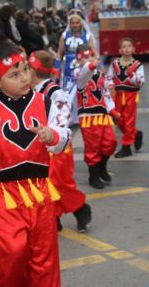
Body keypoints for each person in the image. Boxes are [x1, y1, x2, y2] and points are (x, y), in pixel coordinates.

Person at [0, 42, 70, 287]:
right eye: (14, 74)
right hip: (2, 192)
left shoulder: (46, 102)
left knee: (45, 255)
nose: (24, 78)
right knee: (14, 252)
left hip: (40, 188)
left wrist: (52, 136)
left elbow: (63, 135)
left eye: (25, 70)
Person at [29, 50, 92, 233]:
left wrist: (49, 135)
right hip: (42, 146)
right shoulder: (33, 91)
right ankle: (53, 218)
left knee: (60, 184)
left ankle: (80, 209)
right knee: (44, 184)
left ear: (33, 71)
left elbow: (62, 121)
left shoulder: (54, 92)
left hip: (57, 147)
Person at [74, 44, 119, 189]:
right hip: (88, 117)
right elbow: (83, 76)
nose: (89, 60)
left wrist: (112, 110)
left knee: (110, 142)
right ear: (78, 59)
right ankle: (93, 175)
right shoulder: (79, 73)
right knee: (93, 147)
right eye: (85, 57)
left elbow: (105, 94)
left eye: (91, 56)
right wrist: (90, 65)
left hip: (103, 114)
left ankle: (101, 168)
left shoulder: (100, 74)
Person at [106, 37, 145, 158]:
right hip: (117, 95)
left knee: (128, 120)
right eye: (124, 47)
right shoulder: (115, 63)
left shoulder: (138, 65)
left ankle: (126, 147)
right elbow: (109, 77)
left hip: (131, 95)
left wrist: (132, 76)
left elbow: (141, 82)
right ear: (120, 50)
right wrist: (111, 85)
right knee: (118, 119)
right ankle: (136, 133)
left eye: (129, 46)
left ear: (133, 49)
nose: (126, 49)